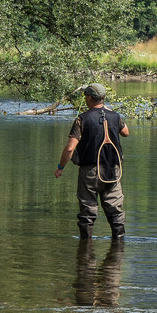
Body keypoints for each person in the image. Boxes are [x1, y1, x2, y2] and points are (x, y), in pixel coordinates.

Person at [54, 83, 129, 240]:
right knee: (115, 211)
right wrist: (109, 112)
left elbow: (70, 148)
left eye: (85, 96)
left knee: (87, 211)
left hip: (90, 171)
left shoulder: (82, 119)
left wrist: (61, 167)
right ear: (102, 98)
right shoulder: (115, 116)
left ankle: (85, 249)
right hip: (113, 171)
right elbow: (126, 132)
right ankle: (118, 246)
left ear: (89, 97)